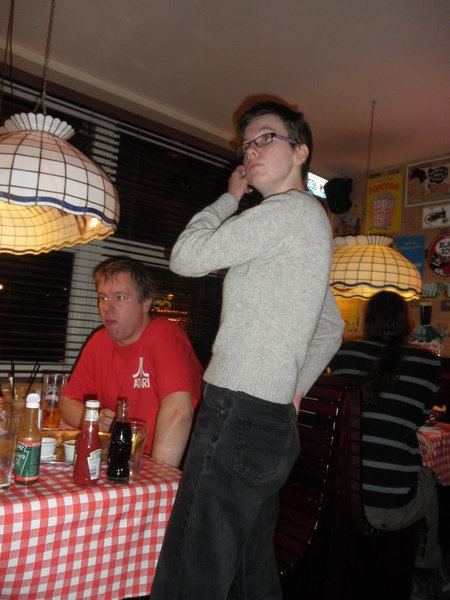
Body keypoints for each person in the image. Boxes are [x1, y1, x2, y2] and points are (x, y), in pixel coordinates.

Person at [150, 100, 344, 599]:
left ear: (300, 152)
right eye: (246, 144)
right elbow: (331, 328)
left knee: (191, 571)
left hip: (236, 412)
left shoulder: (287, 211)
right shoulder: (310, 225)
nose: (250, 151)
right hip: (269, 421)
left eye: (265, 139)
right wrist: (292, 391)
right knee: (247, 572)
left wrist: (227, 198)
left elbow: (185, 257)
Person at [329, 291, 449, 599]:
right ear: (406, 323)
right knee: (428, 478)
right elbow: (417, 420)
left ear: (367, 321)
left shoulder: (345, 354)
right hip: (393, 506)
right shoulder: (428, 364)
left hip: (342, 503)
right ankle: (427, 567)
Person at [61, 256, 203, 468]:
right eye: (103, 298)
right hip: (121, 462)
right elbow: (67, 403)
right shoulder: (98, 342)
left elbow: (179, 413)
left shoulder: (165, 335)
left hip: (177, 466)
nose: (107, 307)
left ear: (145, 302)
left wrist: (157, 478)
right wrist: (94, 419)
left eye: (120, 297)